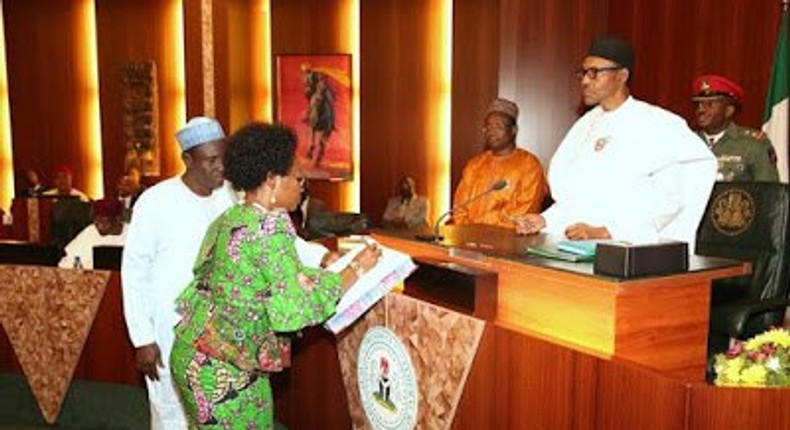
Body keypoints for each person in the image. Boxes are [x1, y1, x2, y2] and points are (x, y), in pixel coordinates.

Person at [169, 122, 381, 429]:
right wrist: (354, 271)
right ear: (271, 180)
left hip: (200, 351)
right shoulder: (269, 230)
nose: (302, 185)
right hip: (219, 369)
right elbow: (291, 313)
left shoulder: (236, 216)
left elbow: (270, 275)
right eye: (297, 178)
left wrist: (316, 274)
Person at [515, 36, 716, 245]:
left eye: (594, 73)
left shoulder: (658, 124)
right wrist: (545, 220)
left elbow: (671, 199)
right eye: (583, 73)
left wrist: (608, 231)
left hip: (630, 252)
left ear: (621, 76)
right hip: (576, 250)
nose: (585, 81)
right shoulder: (585, 126)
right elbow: (576, 197)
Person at [122, 116, 237, 430]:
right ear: (188, 159)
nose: (221, 167)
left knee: (216, 411)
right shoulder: (155, 201)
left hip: (219, 332)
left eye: (223, 157)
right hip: (167, 330)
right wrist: (142, 338)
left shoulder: (230, 196)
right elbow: (134, 272)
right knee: (171, 415)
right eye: (211, 160)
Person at [452, 98, 548, 229]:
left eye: (498, 126)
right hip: (468, 240)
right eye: (488, 126)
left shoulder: (529, 165)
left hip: (509, 242)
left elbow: (525, 211)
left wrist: (481, 226)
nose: (491, 131)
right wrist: (468, 234)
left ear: (513, 130)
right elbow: (459, 209)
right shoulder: (475, 164)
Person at [692, 74, 779, 182]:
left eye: (710, 104)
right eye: (698, 104)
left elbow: (768, 192)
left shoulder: (753, 144)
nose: (701, 110)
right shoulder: (686, 142)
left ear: (729, 110)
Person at [58, 197, 128, 269]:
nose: (98, 225)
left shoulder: (132, 234)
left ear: (118, 218)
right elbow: (68, 261)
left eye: (103, 221)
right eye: (96, 220)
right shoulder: (90, 231)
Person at [301, 63, 335, 166]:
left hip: (323, 95)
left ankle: (331, 122)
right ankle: (309, 117)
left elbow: (328, 95)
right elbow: (309, 87)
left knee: (327, 104)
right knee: (313, 102)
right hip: (316, 95)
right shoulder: (309, 77)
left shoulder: (319, 78)